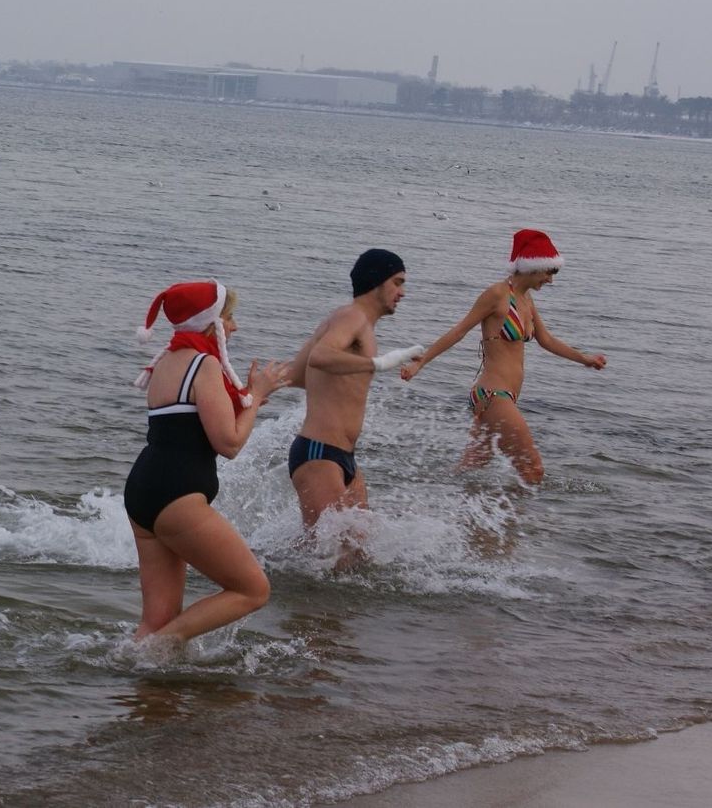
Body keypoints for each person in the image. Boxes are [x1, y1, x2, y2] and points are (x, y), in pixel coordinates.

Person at [124, 280, 292, 648]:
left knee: (156, 620)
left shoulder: (166, 362)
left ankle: (139, 670)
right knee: (253, 590)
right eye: (229, 318)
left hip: (143, 491)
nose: (234, 327)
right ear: (210, 322)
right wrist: (257, 395)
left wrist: (249, 400)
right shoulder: (205, 364)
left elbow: (191, 423)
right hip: (176, 495)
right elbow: (229, 443)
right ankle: (155, 651)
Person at [400, 229, 606, 484]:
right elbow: (459, 330)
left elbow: (547, 340)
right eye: (549, 272)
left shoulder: (526, 300)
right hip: (493, 395)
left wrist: (585, 359)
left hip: (504, 397)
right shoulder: (497, 295)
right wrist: (420, 363)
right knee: (533, 470)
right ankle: (515, 514)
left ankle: (429, 495)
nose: (551, 281)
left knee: (466, 473)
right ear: (532, 266)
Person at [287, 249, 422, 568]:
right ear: (376, 281)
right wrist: (379, 363)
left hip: (343, 458)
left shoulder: (350, 322)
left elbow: (297, 375)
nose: (402, 292)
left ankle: (267, 571)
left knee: (356, 557)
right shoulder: (352, 317)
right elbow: (320, 357)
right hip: (319, 454)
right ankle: (256, 578)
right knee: (329, 560)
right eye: (397, 282)